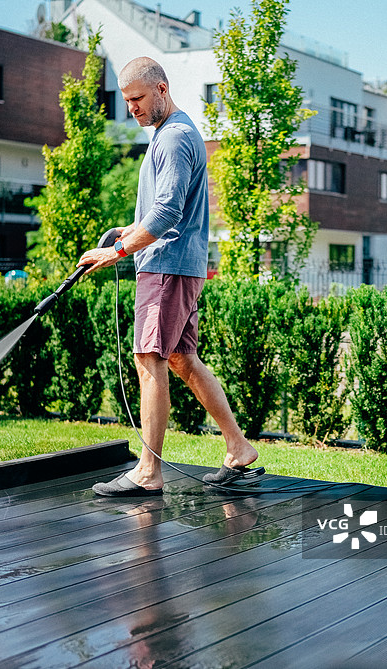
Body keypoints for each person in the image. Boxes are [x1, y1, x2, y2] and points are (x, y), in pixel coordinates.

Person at [78, 57, 263, 497]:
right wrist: (129, 229)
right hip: (176, 264)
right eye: (127, 101)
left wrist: (116, 252)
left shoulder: (175, 137)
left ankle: (148, 472)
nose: (133, 109)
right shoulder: (169, 134)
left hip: (166, 266)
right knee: (181, 358)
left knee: (149, 360)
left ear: (162, 88)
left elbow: (167, 213)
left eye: (138, 98)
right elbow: (159, 209)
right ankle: (238, 448)